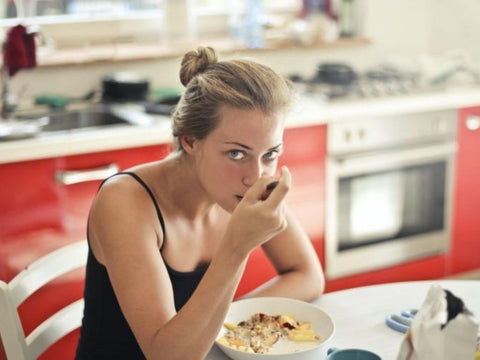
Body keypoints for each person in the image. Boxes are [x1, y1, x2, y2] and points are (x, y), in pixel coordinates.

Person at [75, 46, 325, 360]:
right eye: (236, 154)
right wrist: (237, 247)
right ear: (191, 141)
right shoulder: (125, 202)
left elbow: (308, 275)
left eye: (270, 154)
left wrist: (223, 324)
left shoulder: (245, 187)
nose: (255, 177)